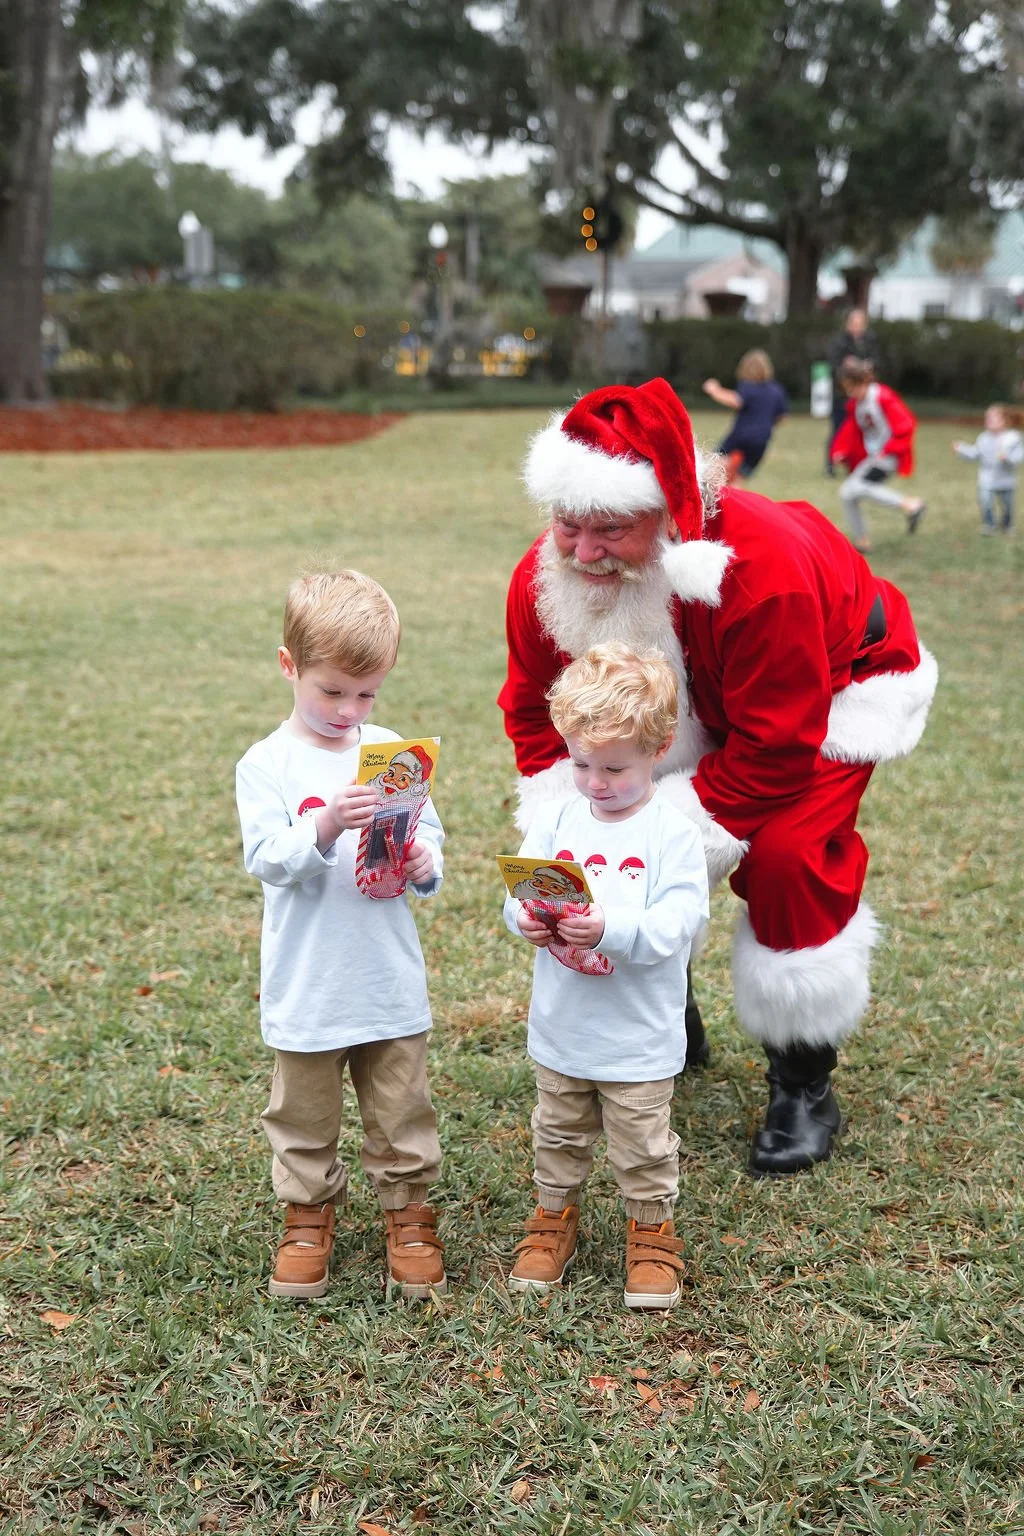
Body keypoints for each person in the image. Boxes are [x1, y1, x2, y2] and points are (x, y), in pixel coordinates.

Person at [499, 377, 938, 1177]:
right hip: (681, 705)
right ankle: (663, 1006)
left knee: (786, 855)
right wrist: (568, 825)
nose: (584, 551)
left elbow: (776, 746)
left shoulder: (760, 569)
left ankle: (803, 1079)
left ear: (671, 513)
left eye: (612, 529)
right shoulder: (547, 577)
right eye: (569, 525)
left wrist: (670, 829)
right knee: (605, 824)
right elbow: (537, 712)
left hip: (831, 696)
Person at [235, 569, 447, 1301]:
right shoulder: (267, 764)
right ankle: (306, 1215)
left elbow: (428, 830)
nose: (350, 709)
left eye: (367, 694)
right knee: (303, 1113)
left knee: (400, 1107)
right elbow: (266, 858)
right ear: (289, 666)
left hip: (385, 975)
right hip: (308, 982)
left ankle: (408, 1215)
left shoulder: (389, 751)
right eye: (332, 691)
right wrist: (325, 823)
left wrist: (425, 858)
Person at [504, 644, 709, 1308]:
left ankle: (651, 1232)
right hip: (564, 1025)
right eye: (582, 763)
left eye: (614, 767)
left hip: (637, 1035)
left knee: (642, 1140)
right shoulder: (558, 816)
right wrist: (526, 920)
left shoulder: (670, 833)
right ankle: (553, 1216)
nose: (594, 781)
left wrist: (610, 928)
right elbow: (520, 893)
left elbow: (679, 924)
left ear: (660, 748)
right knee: (558, 1128)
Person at [831, 359, 925, 554]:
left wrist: (889, 450)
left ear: (864, 381)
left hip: (887, 456)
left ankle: (910, 504)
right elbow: (852, 431)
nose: (850, 393)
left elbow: (906, 425)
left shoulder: (882, 397)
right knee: (849, 494)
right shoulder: (856, 405)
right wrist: (842, 451)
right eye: (846, 389)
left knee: (849, 490)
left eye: (852, 387)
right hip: (874, 456)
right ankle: (862, 540)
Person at [702, 349, 789, 483]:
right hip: (762, 440)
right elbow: (782, 417)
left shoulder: (748, 386)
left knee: (714, 466)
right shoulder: (777, 390)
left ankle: (711, 496)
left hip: (740, 436)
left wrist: (715, 390)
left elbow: (736, 401)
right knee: (739, 479)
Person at [825, 308, 881, 474]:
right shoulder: (839, 342)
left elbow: (879, 361)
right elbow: (834, 366)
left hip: (864, 396)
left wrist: (868, 366)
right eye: (853, 323)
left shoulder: (870, 341)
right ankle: (831, 463)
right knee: (838, 428)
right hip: (842, 396)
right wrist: (848, 368)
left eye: (860, 324)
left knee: (864, 430)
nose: (857, 327)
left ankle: (860, 464)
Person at [953, 404, 1023, 535]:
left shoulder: (1013, 438)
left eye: (992, 418)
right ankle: (990, 524)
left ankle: (1007, 525)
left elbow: (1019, 457)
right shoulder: (984, 438)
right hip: (987, 478)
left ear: (1004, 421)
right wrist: (961, 449)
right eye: (987, 418)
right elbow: (975, 453)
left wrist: (1007, 458)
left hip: (1006, 480)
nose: (988, 421)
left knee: (1007, 505)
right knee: (985, 501)